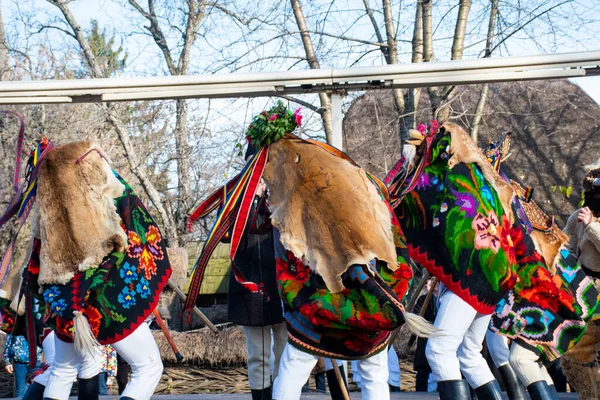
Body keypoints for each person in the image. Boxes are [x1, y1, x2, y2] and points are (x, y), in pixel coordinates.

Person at [1, 139, 172, 400]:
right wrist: (101, 165)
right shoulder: (102, 206)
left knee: (62, 369)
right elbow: (130, 209)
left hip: (65, 307)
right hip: (105, 303)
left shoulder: (48, 221)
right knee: (148, 367)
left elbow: (35, 268)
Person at [226, 142, 287, 400]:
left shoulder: (284, 189)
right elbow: (227, 233)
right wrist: (249, 198)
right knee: (258, 353)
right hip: (249, 281)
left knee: (287, 351)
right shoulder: (233, 191)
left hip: (283, 281)